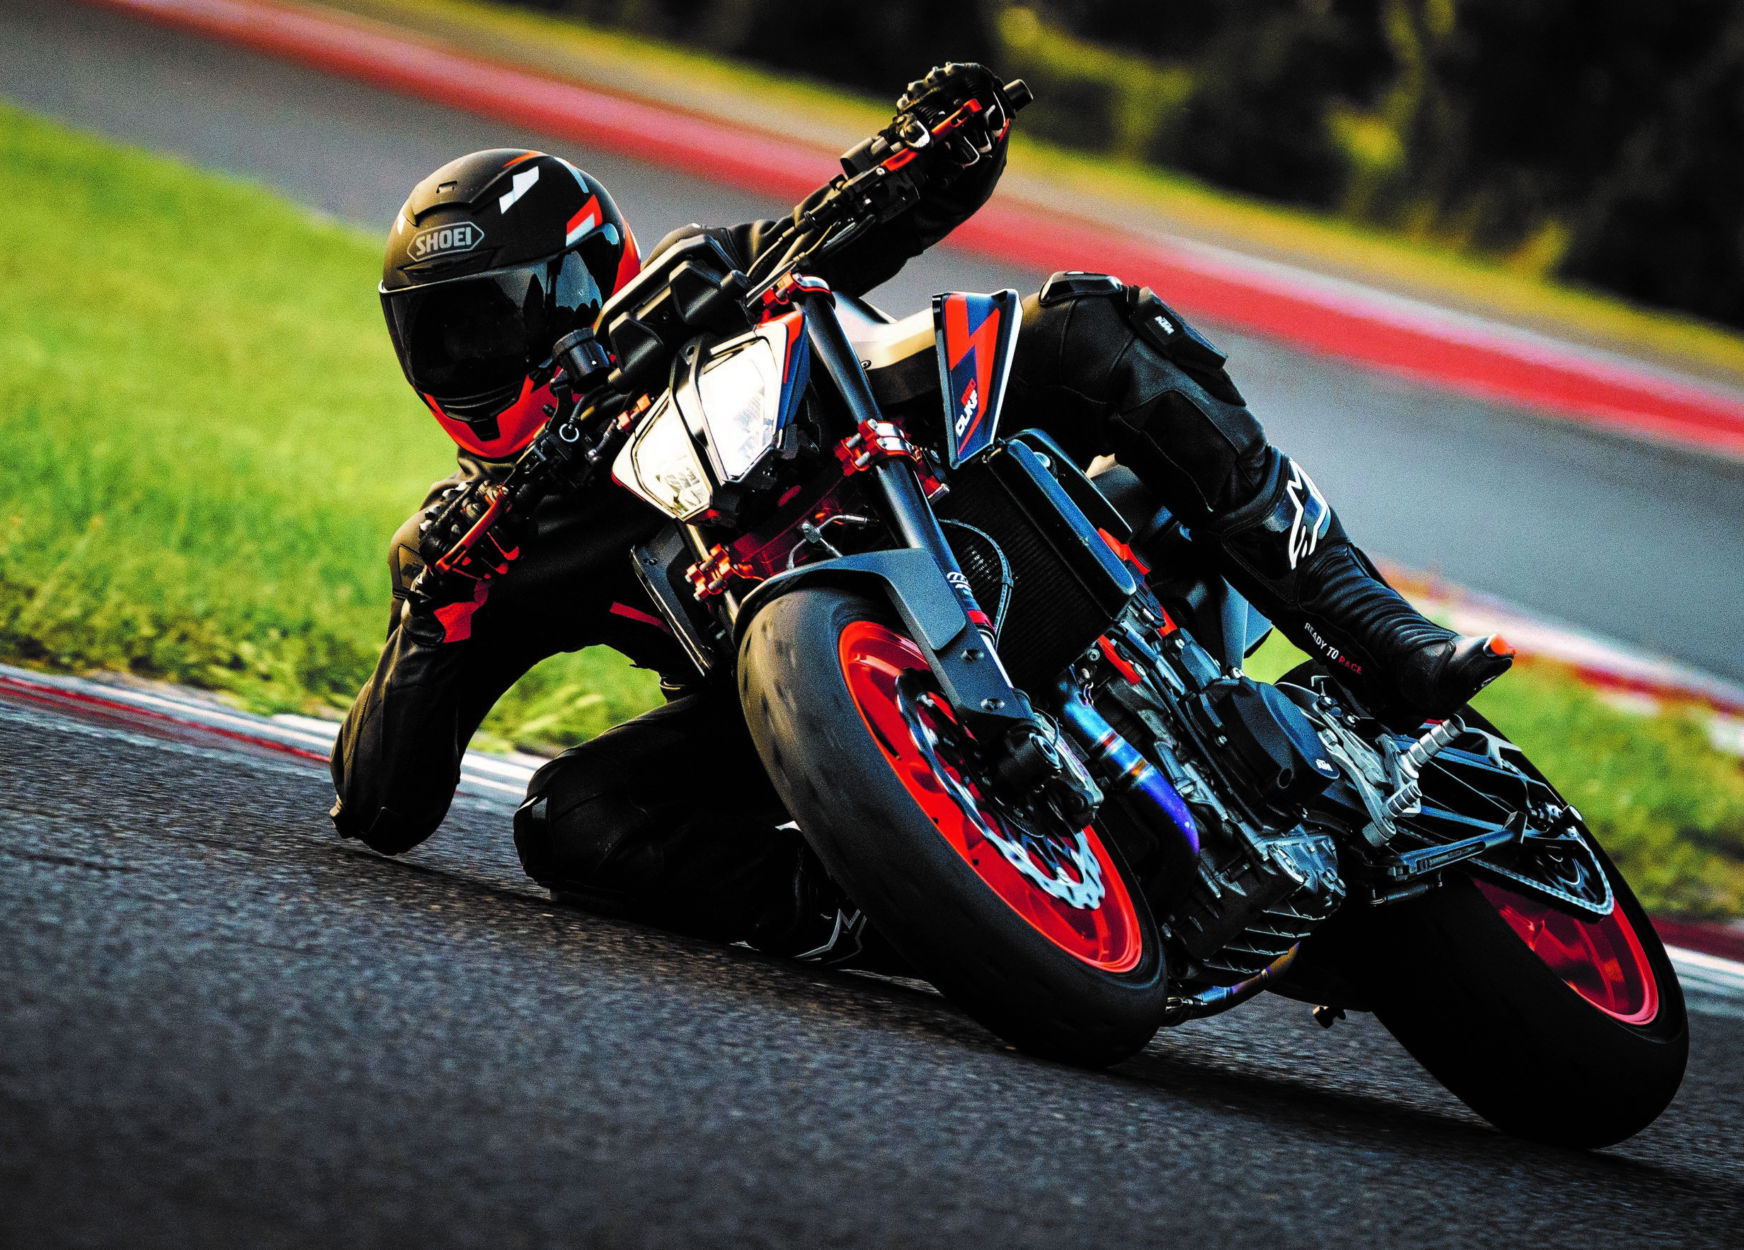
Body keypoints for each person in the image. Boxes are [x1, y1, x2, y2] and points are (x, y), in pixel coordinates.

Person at [331, 63, 1510, 957]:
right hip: (793, 694)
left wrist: (939, 146)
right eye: (436, 333)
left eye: (485, 322)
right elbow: (381, 803)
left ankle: (1368, 624)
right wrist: (429, 621)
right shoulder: (476, 549)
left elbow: (845, 235)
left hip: (942, 500)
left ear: (578, 282)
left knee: (1088, 321)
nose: (462, 359)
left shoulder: (689, 281)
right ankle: (875, 915)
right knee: (564, 818)